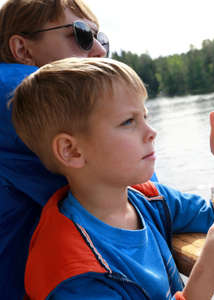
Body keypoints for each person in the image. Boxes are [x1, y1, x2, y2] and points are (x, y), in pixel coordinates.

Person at [9, 57, 214, 299]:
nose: (152, 132)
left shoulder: (147, 198)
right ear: (72, 151)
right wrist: (209, 271)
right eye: (129, 121)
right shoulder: (72, 273)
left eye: (145, 117)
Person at [0, 1, 154, 298]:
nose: (98, 50)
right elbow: (139, 185)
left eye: (102, 39)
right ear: (22, 49)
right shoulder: (18, 96)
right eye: (82, 35)